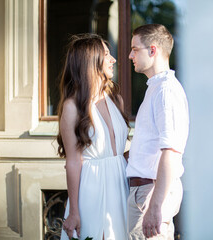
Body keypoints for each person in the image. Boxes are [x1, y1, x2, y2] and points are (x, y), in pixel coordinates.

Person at [57, 34, 129, 240]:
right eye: (106, 54)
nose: (113, 59)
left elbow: (118, 153)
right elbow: (72, 161)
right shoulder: (73, 106)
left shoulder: (116, 99)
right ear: (91, 61)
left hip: (119, 184)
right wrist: (74, 212)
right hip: (91, 188)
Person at [126, 24, 189, 239]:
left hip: (149, 195)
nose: (129, 55)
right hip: (145, 194)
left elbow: (170, 151)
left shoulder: (165, 91)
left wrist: (155, 206)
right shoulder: (156, 88)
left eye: (135, 49)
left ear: (153, 50)